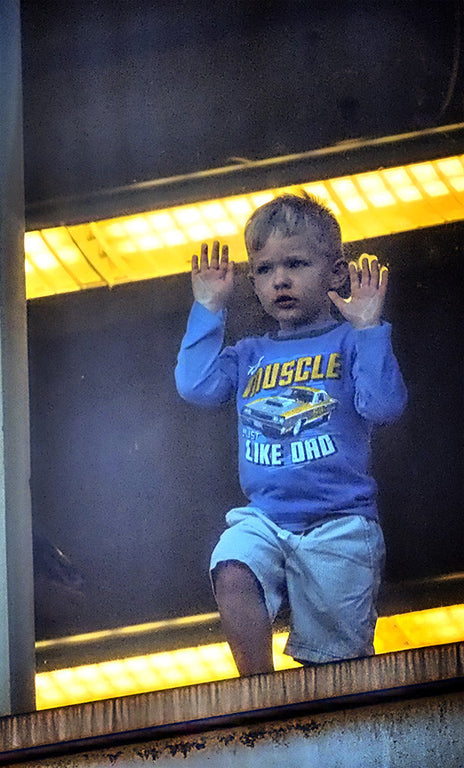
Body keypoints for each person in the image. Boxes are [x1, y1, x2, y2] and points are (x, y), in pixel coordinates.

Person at [174, 191, 407, 675]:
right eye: (263, 269)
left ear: (336, 273)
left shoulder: (348, 340)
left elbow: (384, 406)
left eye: (296, 263)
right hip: (267, 516)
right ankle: (258, 695)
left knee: (334, 669)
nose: (279, 279)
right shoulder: (250, 353)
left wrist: (368, 328)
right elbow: (195, 386)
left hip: (340, 523)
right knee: (232, 567)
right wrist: (208, 309)